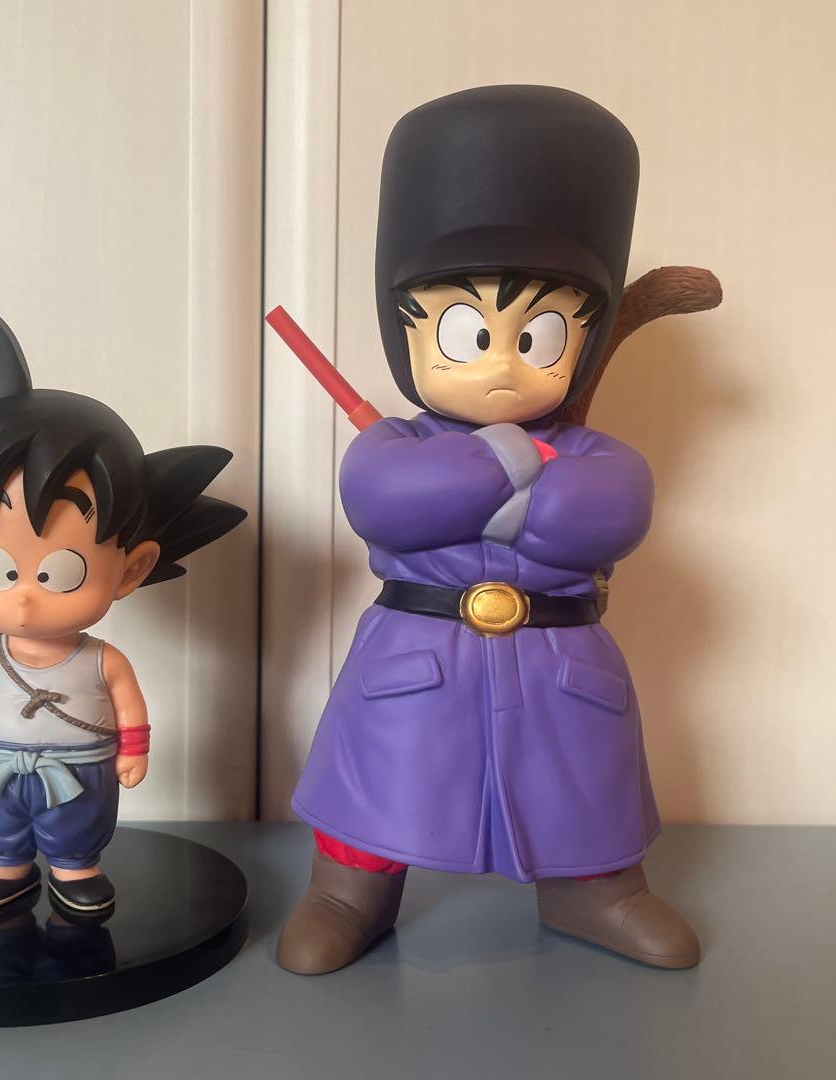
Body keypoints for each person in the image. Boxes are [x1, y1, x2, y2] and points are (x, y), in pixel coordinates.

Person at [278, 86, 701, 973]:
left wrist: (493, 492)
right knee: (380, 781)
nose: (503, 364)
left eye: (538, 334)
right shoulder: (392, 444)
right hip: (415, 656)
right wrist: (513, 465)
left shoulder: (597, 453)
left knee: (583, 788)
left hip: (561, 664)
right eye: (470, 332)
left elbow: (605, 513)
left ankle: (599, 893)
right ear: (407, 331)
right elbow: (387, 500)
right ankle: (348, 893)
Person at [0, 294, 245, 914]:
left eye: (61, 572)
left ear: (131, 569)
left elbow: (128, 705)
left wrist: (134, 749)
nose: (25, 595)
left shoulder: (103, 660)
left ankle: (75, 867)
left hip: (81, 769)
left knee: (77, 826)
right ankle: (4, 865)